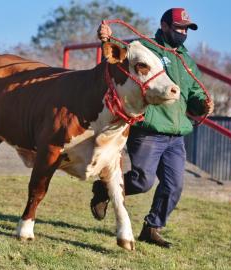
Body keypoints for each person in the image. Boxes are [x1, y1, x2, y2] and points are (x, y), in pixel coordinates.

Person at [91, 7, 214, 248]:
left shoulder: (185, 59)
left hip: (177, 134)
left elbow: (195, 92)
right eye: (178, 27)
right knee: (142, 181)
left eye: (186, 29)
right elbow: (119, 54)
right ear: (164, 25)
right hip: (149, 129)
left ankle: (152, 227)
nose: (183, 33)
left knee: (174, 185)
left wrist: (203, 104)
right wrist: (106, 38)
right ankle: (104, 188)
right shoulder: (144, 47)